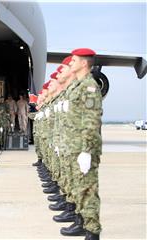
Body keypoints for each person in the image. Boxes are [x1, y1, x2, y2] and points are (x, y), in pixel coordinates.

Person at [59, 48, 102, 240]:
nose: (71, 64)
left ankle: (92, 232)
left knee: (88, 190)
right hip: (73, 146)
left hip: (83, 148)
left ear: (84, 63)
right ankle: (81, 222)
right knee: (78, 188)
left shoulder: (89, 87)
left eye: (74, 60)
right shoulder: (77, 86)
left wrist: (86, 150)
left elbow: (91, 121)